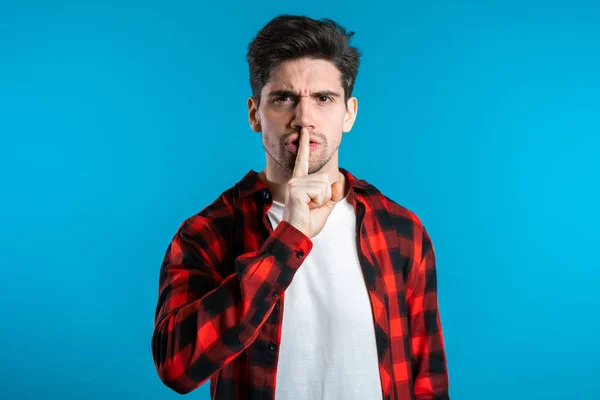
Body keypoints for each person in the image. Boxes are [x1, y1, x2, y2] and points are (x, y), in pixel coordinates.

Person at [151, 14, 450, 400]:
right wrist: (288, 240)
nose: (304, 119)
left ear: (349, 113)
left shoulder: (400, 230)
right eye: (284, 98)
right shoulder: (208, 232)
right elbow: (176, 367)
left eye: (323, 98)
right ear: (254, 114)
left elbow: (427, 378)